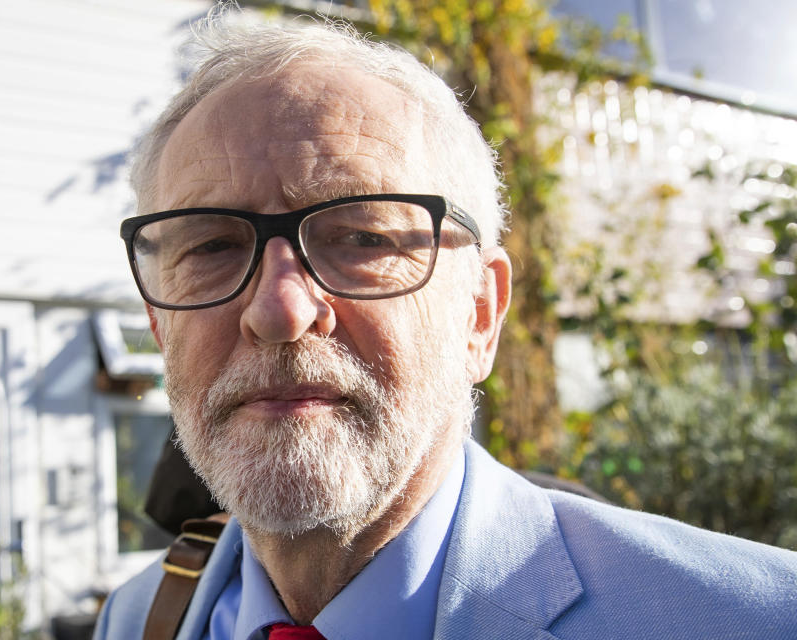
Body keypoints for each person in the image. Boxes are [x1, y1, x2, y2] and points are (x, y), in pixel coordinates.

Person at [94, 11, 797, 640]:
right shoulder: (137, 618)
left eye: (364, 239)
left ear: (480, 316)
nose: (279, 311)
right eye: (212, 246)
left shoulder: (752, 619)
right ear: (159, 326)